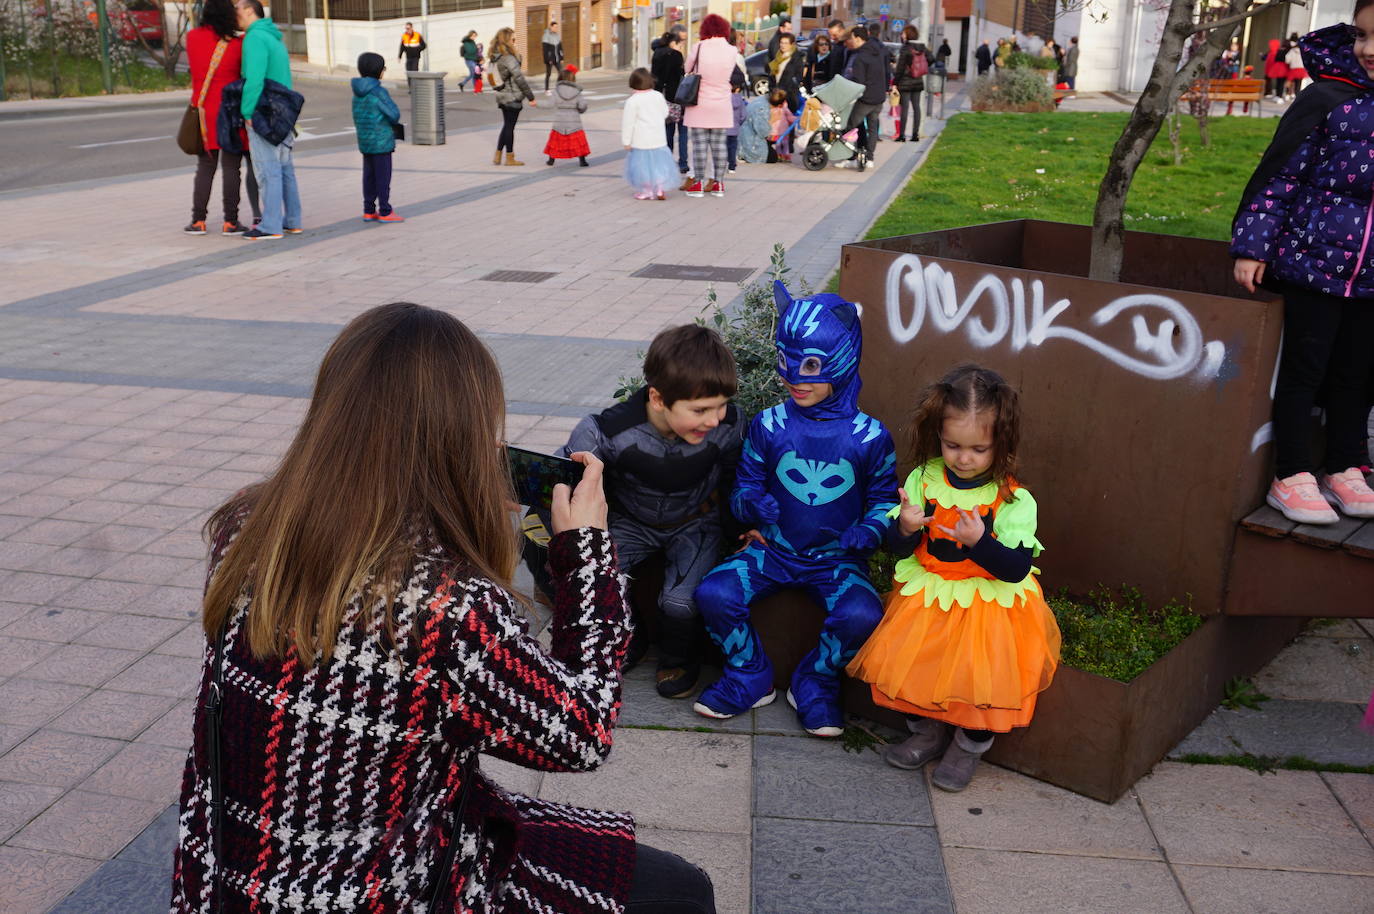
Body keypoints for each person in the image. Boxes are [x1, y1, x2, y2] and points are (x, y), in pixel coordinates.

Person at [168, 302, 718, 914]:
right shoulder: (449, 610)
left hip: (226, 875)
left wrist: (453, 514)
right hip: (386, 887)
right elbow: (581, 732)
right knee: (682, 893)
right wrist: (584, 552)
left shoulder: (246, 521)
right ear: (459, 434)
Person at [692, 282, 898, 737]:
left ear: (842, 362)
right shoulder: (770, 424)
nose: (793, 378)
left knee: (861, 614)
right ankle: (749, 673)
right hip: (774, 550)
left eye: (809, 366)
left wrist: (869, 530)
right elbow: (744, 485)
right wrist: (751, 504)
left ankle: (816, 680)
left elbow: (885, 500)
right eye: (786, 362)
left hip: (836, 561)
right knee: (714, 594)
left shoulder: (869, 437)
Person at [848, 364, 1060, 793]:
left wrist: (981, 541)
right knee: (914, 670)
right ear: (938, 436)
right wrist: (904, 528)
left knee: (979, 685)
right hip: (929, 598)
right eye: (953, 445)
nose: (964, 458)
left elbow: (1016, 568)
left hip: (986, 610)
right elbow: (900, 549)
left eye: (979, 449)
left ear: (1002, 443)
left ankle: (967, 745)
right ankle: (926, 733)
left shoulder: (1012, 499)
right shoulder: (924, 479)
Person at [1231, 11, 1374, 525]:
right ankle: (1291, 473)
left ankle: (1343, 466)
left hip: (1371, 279)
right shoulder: (1327, 99)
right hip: (1314, 265)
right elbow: (1279, 177)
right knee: (1304, 372)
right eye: (1362, 34)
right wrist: (1253, 246)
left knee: (1357, 375)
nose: (1367, 47)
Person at [556, 325, 743, 694]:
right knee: (598, 583)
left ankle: (678, 660)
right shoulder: (605, 431)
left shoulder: (731, 426)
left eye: (722, 405)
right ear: (657, 398)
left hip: (696, 522)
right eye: (701, 409)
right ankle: (631, 639)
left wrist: (741, 529)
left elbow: (737, 478)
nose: (716, 418)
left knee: (678, 603)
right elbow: (566, 485)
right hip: (630, 520)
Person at [184, 0, 259, 236]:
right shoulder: (238, 44)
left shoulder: (192, 37)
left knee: (205, 167)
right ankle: (231, 222)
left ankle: (198, 221)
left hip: (204, 112)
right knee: (231, 167)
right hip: (230, 113)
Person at [236, 0, 300, 241]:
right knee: (285, 169)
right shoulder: (274, 36)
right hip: (283, 110)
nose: (236, 15)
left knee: (267, 169)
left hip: (264, 110)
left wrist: (247, 112)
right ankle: (292, 220)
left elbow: (254, 78)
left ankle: (271, 225)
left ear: (250, 11)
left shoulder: (254, 38)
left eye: (238, 9)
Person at [682, 14, 742, 198]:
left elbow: (687, 69)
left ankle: (698, 184)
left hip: (699, 102)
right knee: (719, 145)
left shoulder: (698, 47)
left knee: (699, 145)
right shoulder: (732, 50)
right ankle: (719, 184)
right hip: (722, 103)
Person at [351, 52, 404, 223]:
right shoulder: (378, 91)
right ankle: (385, 211)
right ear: (379, 70)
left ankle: (368, 210)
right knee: (383, 176)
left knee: (368, 175)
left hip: (365, 141)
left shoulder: (357, 92)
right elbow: (394, 114)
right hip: (381, 142)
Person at [621, 67, 678, 199]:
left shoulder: (633, 100)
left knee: (642, 168)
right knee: (659, 165)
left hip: (641, 140)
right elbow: (665, 113)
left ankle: (646, 191)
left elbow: (628, 123)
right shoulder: (658, 96)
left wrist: (626, 141)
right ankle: (659, 189)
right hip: (658, 138)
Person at [488, 26, 536, 166]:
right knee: (510, 127)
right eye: (513, 39)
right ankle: (510, 158)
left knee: (506, 125)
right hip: (512, 96)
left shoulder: (495, 57)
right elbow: (519, 78)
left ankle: (498, 155)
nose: (515, 41)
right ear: (508, 40)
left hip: (502, 95)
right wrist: (531, 96)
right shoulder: (508, 58)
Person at [842, 26, 887, 166]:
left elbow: (858, 82)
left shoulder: (860, 57)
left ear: (858, 38)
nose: (851, 41)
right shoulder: (878, 51)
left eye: (852, 38)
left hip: (866, 98)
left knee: (849, 125)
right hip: (879, 97)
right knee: (873, 127)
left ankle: (850, 156)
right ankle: (870, 159)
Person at [652, 30, 690, 175]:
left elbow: (655, 77)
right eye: (679, 44)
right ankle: (683, 163)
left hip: (663, 99)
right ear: (673, 43)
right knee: (683, 132)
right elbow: (682, 75)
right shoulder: (676, 55)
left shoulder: (657, 54)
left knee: (667, 132)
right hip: (679, 98)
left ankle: (666, 162)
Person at [546, 65, 591, 167]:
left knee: (556, 140)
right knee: (578, 140)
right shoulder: (577, 92)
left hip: (559, 120)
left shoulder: (556, 91)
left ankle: (551, 160)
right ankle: (582, 160)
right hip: (574, 120)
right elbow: (582, 105)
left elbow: (550, 104)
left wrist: (536, 104)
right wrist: (581, 110)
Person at [893, 24, 929, 143]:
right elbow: (932, 58)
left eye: (903, 33)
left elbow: (900, 68)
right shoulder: (922, 47)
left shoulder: (906, 48)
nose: (902, 35)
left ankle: (902, 135)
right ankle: (915, 135)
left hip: (905, 81)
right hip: (918, 81)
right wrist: (921, 67)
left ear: (908, 34)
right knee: (916, 107)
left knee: (905, 109)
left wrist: (895, 83)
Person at [769, 32, 806, 109]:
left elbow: (798, 77)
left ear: (791, 44)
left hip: (789, 96)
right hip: (776, 95)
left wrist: (786, 90)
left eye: (786, 43)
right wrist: (772, 89)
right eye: (781, 43)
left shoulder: (796, 58)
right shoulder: (777, 57)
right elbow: (772, 75)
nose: (783, 45)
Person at [737, 89, 772, 163]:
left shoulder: (760, 101)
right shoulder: (762, 108)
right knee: (772, 157)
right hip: (752, 143)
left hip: (743, 136)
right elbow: (762, 130)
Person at [767, 87, 795, 161]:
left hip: (772, 134)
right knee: (785, 145)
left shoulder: (770, 110)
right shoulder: (784, 109)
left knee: (778, 145)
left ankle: (778, 155)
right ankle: (786, 157)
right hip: (783, 133)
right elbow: (790, 118)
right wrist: (797, 119)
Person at [726, 82, 747, 173]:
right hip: (735, 128)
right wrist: (738, 123)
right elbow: (744, 115)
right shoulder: (741, 100)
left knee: (724, 147)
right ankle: (732, 166)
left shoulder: (725, 98)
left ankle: (723, 163)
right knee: (733, 147)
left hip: (724, 127)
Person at [542, 20, 563, 94]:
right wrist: (547, 59)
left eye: (557, 27)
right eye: (555, 27)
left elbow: (560, 48)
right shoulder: (546, 35)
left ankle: (559, 87)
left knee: (561, 72)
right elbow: (545, 49)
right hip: (550, 59)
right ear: (551, 27)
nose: (556, 28)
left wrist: (561, 57)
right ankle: (546, 89)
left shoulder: (557, 35)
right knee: (548, 74)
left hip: (557, 58)